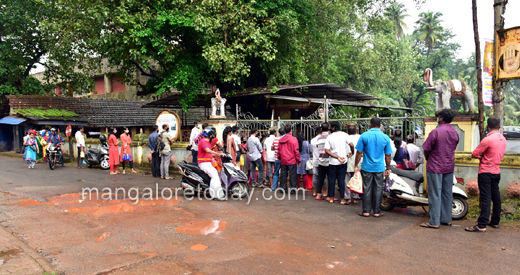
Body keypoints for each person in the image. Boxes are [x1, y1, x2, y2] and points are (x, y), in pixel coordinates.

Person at [466, 115, 507, 233]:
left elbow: (474, 154)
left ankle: (481, 225)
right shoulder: (503, 139)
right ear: (499, 126)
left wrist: (481, 156)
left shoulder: (487, 140)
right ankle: (495, 221)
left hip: (485, 172)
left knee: (486, 198)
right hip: (496, 171)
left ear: (487, 126)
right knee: (496, 196)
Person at [421, 109, 459, 229]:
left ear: (441, 118)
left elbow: (426, 149)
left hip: (435, 166)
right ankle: (447, 219)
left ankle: (434, 221)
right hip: (449, 166)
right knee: (447, 193)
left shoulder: (436, 132)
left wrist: (428, 158)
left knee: (435, 194)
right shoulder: (454, 133)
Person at [354, 118, 392, 217]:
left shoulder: (364, 136)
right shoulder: (385, 137)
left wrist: (356, 165)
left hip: (367, 167)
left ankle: (366, 211)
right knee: (378, 189)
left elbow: (359, 152)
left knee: (367, 188)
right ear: (380, 126)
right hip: (379, 168)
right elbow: (388, 155)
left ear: (370, 125)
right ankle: (377, 212)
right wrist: (388, 168)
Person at [325, 121, 352, 204]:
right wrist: (352, 153)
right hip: (343, 162)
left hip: (333, 162)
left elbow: (327, 150)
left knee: (332, 180)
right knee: (342, 180)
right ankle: (343, 199)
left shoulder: (329, 137)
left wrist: (337, 157)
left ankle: (332, 198)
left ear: (333, 127)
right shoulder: (344, 135)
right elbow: (351, 144)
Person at [198, 128, 227, 200]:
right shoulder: (203, 142)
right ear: (209, 134)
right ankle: (217, 195)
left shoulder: (207, 142)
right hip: (203, 163)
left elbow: (209, 155)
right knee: (214, 174)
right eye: (213, 133)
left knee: (220, 171)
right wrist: (218, 154)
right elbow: (208, 151)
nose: (214, 134)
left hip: (208, 162)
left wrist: (220, 153)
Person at [279, 124, 301, 194]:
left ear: (285, 131)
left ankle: (283, 189)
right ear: (291, 130)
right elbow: (296, 151)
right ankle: (293, 190)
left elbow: (279, 151)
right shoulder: (294, 139)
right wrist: (298, 160)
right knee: (293, 176)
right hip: (292, 160)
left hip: (283, 160)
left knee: (283, 176)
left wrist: (280, 158)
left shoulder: (281, 140)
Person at [345, 124, 361, 204]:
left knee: (347, 180)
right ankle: (355, 197)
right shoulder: (360, 137)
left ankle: (347, 198)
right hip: (357, 162)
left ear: (347, 130)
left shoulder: (345, 137)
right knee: (356, 180)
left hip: (347, 161)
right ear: (356, 130)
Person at [315, 122, 331, 200]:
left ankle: (318, 194)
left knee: (320, 178)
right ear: (328, 128)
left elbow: (318, 148)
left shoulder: (318, 138)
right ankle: (329, 195)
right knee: (330, 178)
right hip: (329, 161)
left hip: (321, 160)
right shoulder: (330, 137)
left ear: (321, 129)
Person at [310, 126, 322, 196]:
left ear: (316, 132)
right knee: (324, 176)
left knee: (315, 176)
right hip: (323, 160)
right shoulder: (325, 139)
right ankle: (324, 192)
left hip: (315, 160)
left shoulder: (312, 140)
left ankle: (314, 192)